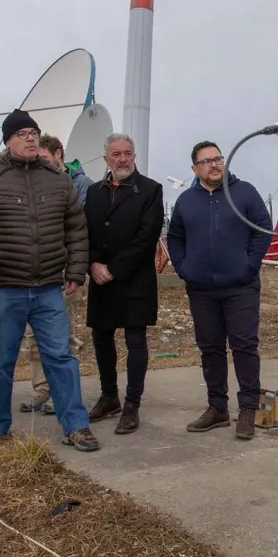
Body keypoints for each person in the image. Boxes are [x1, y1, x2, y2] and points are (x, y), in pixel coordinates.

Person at [0, 109, 98, 452]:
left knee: (60, 357)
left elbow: (76, 227)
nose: (30, 138)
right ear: (8, 139)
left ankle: (76, 425)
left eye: (34, 132)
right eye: (22, 133)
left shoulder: (57, 180)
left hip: (48, 288)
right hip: (4, 287)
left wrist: (75, 271)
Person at [166, 140, 273, 440]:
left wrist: (249, 265)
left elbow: (263, 228)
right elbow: (175, 236)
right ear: (194, 168)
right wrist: (184, 268)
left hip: (241, 286)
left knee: (244, 346)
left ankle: (248, 410)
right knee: (210, 348)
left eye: (218, 158)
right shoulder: (187, 201)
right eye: (206, 161)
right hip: (201, 289)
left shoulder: (245, 192)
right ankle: (217, 409)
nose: (214, 165)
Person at [82, 133, 164, 434]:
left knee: (135, 341)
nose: (122, 159)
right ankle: (109, 396)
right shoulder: (94, 192)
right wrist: (93, 264)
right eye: (116, 154)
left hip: (133, 280)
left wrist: (113, 269)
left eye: (128, 153)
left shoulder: (151, 190)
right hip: (101, 279)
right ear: (106, 159)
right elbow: (85, 232)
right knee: (102, 339)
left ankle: (132, 404)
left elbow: (147, 236)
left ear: (134, 156)